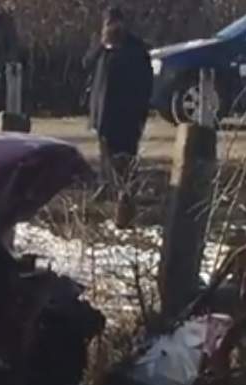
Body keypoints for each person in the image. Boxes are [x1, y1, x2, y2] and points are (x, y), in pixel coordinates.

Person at [83, 7, 153, 228]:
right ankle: (107, 185)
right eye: (108, 24)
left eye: (115, 23)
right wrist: (100, 46)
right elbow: (86, 64)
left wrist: (141, 112)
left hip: (127, 115)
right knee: (105, 153)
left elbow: (145, 83)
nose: (112, 28)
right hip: (104, 113)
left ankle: (126, 204)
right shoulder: (102, 46)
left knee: (124, 159)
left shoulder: (135, 49)